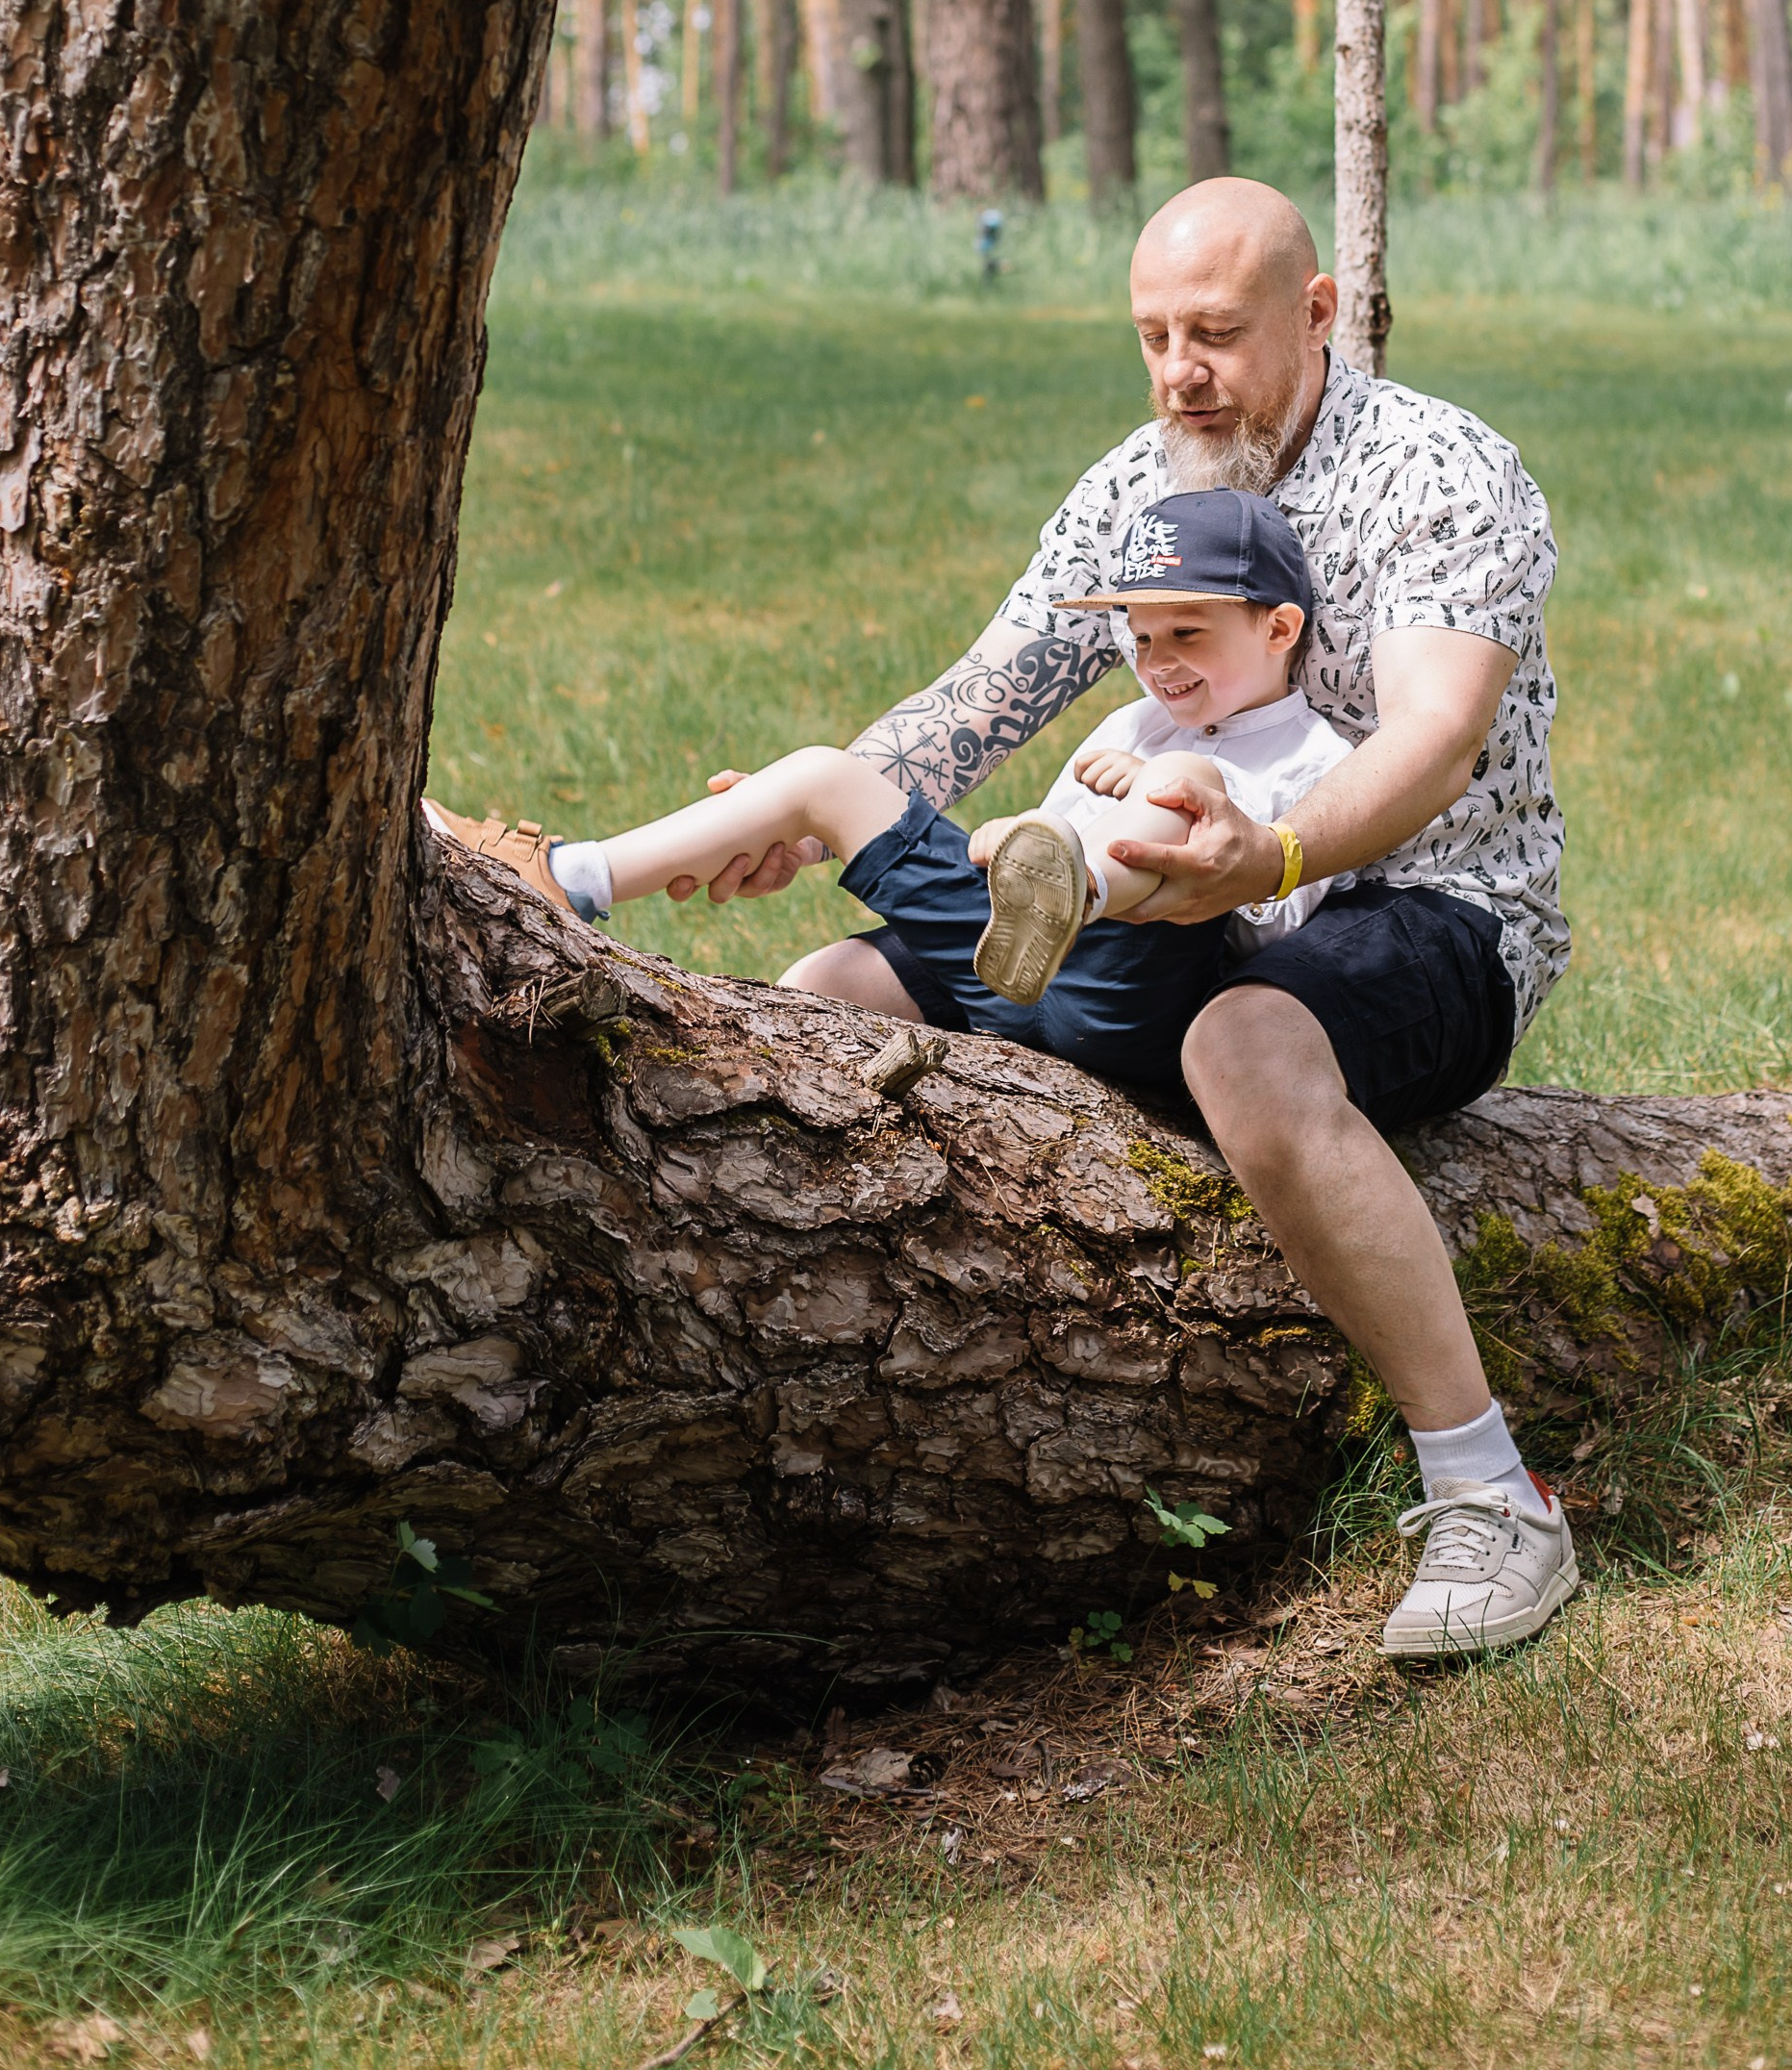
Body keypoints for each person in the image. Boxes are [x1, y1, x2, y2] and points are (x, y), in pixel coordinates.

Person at [458, 178, 1577, 1659]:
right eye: (1153, 336)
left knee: (1247, 1044)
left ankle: (1490, 1493)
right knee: (832, 990)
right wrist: (817, 809)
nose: (1181, 371)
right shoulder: (1142, 483)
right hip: (1160, 911)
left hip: (1423, 903)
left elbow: (1431, 744)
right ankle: (801, 1443)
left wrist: (1277, 847)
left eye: (1217, 334)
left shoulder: (1439, 470)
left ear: (1317, 316)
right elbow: (987, 698)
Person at [428, 489, 1354, 1090]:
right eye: (1142, 640)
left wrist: (1156, 798)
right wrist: (1011, 841)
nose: (1159, 663)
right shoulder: (1134, 726)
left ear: (1278, 630)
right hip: (1021, 966)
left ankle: (1076, 888)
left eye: (1186, 634)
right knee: (827, 914)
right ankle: (577, 882)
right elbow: (1040, 822)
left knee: (1188, 784)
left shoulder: (1308, 758)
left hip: (1140, 995)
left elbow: (1276, 921)